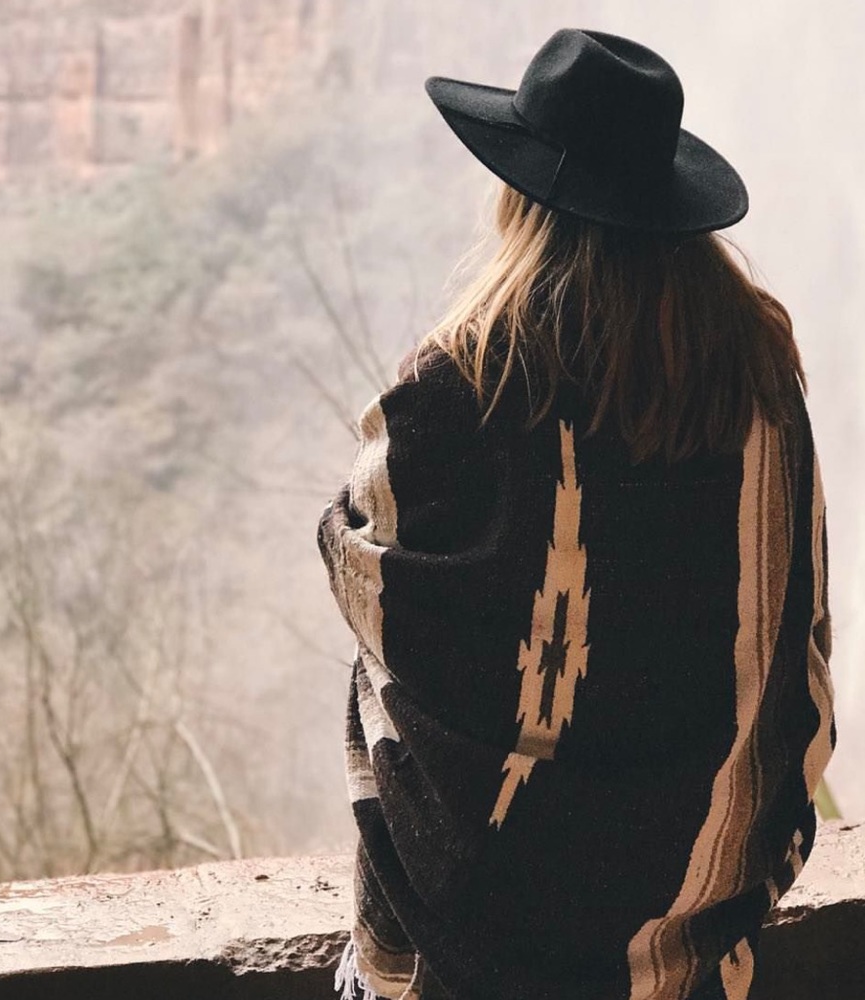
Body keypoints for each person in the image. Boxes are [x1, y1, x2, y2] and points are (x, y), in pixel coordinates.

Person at [318, 28, 836, 1000]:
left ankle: (405, 960)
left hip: (479, 928)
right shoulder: (760, 370)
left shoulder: (463, 380)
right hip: (692, 911)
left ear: (521, 200)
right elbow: (792, 621)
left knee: (390, 652)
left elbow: (359, 557)